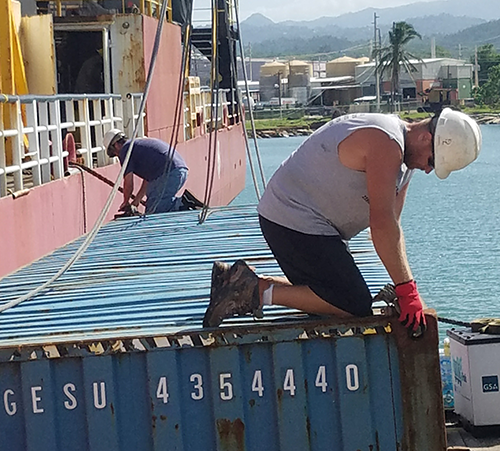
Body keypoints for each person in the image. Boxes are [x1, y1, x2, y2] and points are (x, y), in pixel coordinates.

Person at [203, 108, 482, 334]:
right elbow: (382, 224)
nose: (429, 169)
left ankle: (239, 280)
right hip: (291, 220)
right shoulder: (386, 143)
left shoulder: (403, 163)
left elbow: (390, 229)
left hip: (308, 226)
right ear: (425, 138)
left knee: (336, 297)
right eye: (432, 161)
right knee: (353, 304)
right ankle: (252, 290)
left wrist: (402, 286)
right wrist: (408, 291)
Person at [103, 129, 188, 214]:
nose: (117, 155)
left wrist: (125, 202)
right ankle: (183, 203)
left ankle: (183, 203)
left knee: (155, 212)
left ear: (116, 145)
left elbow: (128, 182)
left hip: (168, 173)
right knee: (153, 202)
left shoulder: (125, 150)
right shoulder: (136, 145)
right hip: (179, 170)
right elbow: (147, 180)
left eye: (114, 153)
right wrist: (136, 201)